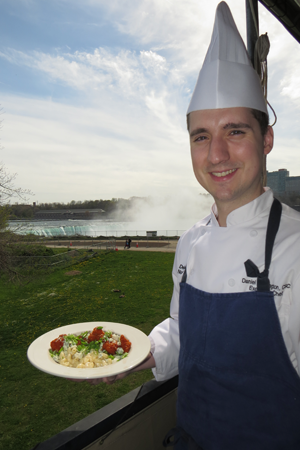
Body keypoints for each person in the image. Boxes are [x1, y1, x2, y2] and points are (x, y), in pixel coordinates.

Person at [84, 3, 300, 448]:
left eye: (235, 131)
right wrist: (135, 354)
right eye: (201, 135)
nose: (216, 154)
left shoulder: (296, 248)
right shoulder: (190, 242)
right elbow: (185, 332)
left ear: (267, 139)